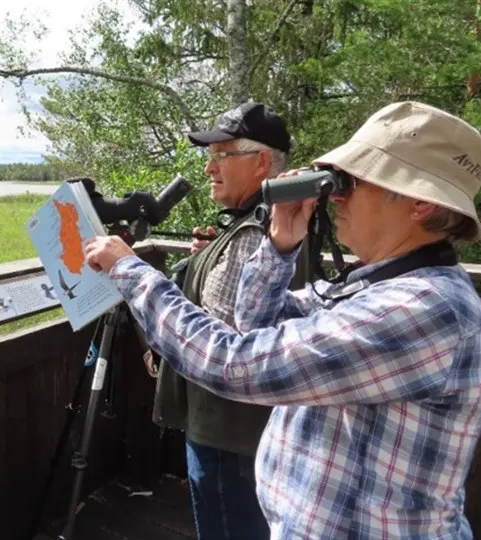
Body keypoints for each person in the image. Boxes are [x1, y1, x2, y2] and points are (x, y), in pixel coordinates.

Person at [85, 101, 481, 539]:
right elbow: (256, 327)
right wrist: (281, 243)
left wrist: (129, 271)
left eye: (351, 182)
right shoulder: (373, 286)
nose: (334, 195)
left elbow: (235, 363)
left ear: (417, 203)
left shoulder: (424, 310)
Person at [148, 100, 291, 540]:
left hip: (229, 438)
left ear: (261, 162)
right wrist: (205, 262)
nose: (210, 168)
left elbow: (220, 346)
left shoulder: (252, 234)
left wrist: (143, 293)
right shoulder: (262, 225)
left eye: (222, 156)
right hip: (240, 434)